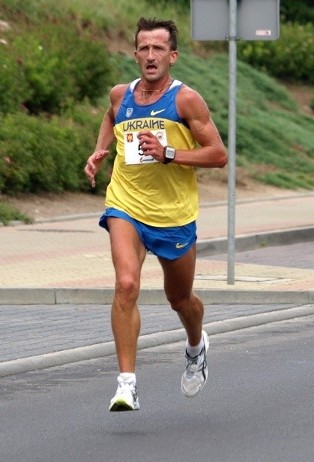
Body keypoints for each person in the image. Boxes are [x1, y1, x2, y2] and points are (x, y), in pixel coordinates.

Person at [84, 17, 228, 412]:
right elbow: (111, 119)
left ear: (173, 56)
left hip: (174, 214)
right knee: (126, 284)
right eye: (143, 48)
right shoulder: (120, 94)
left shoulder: (186, 101)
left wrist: (170, 154)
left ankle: (196, 346)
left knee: (180, 299)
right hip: (125, 205)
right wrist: (100, 151)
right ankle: (126, 383)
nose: (150, 56)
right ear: (135, 54)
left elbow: (218, 155)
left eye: (158, 49)